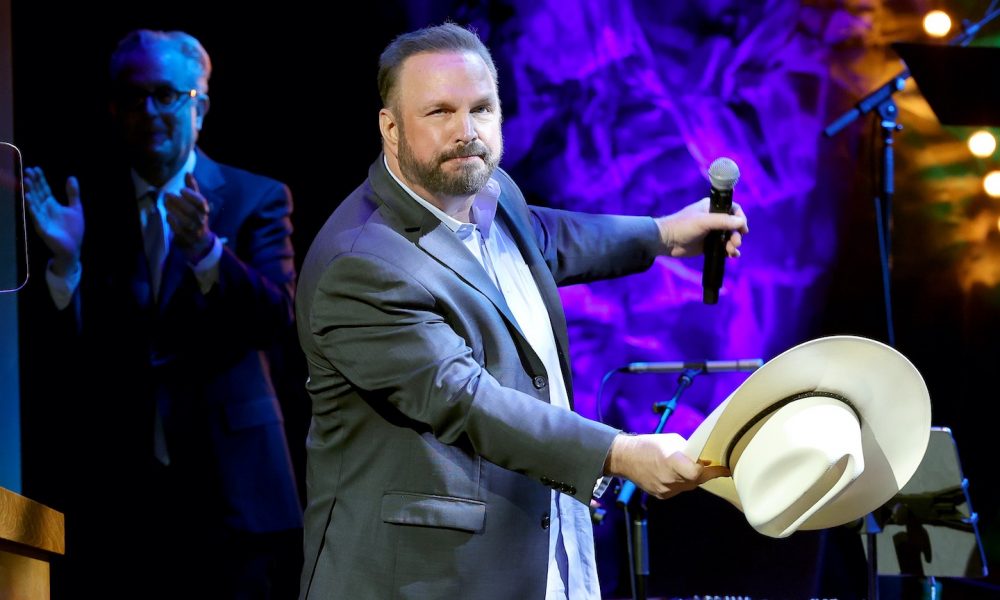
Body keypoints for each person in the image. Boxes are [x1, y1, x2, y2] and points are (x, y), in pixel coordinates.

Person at [295, 22, 746, 600]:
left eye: (482, 108)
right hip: (423, 579)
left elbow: (545, 237)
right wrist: (619, 453)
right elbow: (464, 399)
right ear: (390, 128)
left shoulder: (490, 191)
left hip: (536, 554)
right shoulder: (361, 265)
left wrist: (662, 235)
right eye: (439, 112)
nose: (467, 132)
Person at [22, 29, 302, 598]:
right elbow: (57, 360)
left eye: (166, 95)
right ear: (113, 108)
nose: (148, 110)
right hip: (122, 498)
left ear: (200, 106)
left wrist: (207, 253)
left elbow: (279, 318)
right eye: (133, 96)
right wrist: (65, 268)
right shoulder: (83, 208)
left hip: (235, 493)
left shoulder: (256, 196)